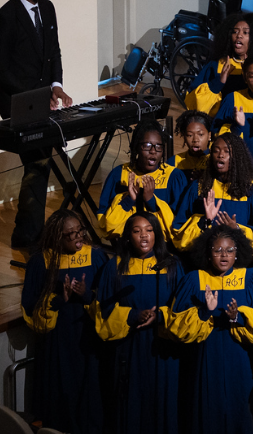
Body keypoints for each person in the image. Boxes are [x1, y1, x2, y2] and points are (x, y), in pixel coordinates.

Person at [0, 0, 73, 248]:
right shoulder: (4, 18)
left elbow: (54, 52)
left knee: (40, 163)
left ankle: (26, 232)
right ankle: (29, 235)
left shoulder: (48, 9)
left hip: (42, 99)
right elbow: (0, 71)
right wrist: (36, 96)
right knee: (38, 163)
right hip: (15, 102)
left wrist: (57, 86)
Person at [166, 226, 253, 434]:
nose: (224, 255)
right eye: (217, 250)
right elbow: (177, 327)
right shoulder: (194, 279)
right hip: (205, 355)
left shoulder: (250, 279)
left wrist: (237, 318)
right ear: (207, 252)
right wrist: (205, 311)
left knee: (241, 408)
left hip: (241, 358)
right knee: (206, 409)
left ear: (237, 252)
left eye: (230, 250)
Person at [93, 213, 183, 434]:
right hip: (128, 349)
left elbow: (182, 310)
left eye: (149, 230)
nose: (144, 235)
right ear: (127, 237)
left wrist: (160, 316)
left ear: (157, 235)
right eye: (136, 231)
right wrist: (132, 316)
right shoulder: (115, 267)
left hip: (162, 349)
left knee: (161, 403)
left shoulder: (171, 265)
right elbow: (101, 313)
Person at [20, 209, 107, 434]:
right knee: (61, 394)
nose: (78, 237)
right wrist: (59, 299)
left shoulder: (95, 256)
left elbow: (107, 298)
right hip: (58, 340)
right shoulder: (41, 262)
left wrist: (87, 294)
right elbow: (30, 306)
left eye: (80, 230)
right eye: (70, 234)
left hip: (88, 335)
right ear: (57, 236)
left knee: (90, 395)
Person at [96, 119, 190, 243]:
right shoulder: (119, 175)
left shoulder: (174, 177)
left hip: (162, 247)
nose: (153, 151)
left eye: (158, 147)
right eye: (147, 146)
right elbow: (105, 227)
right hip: (127, 245)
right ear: (136, 147)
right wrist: (129, 199)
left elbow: (176, 228)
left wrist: (151, 201)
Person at [175, 133, 253, 256]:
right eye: (216, 151)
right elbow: (178, 235)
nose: (220, 155)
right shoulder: (199, 188)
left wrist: (237, 230)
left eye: (227, 151)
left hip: (240, 267)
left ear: (238, 157)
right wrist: (204, 221)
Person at [186, 12, 253, 115]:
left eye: (245, 33)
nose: (239, 36)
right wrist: (218, 83)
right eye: (235, 32)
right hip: (225, 123)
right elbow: (194, 105)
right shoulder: (218, 65)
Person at [167, 110, 212, 181]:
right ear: (184, 136)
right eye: (190, 135)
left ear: (209, 135)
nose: (195, 140)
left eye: (200, 134)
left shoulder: (215, 161)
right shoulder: (173, 162)